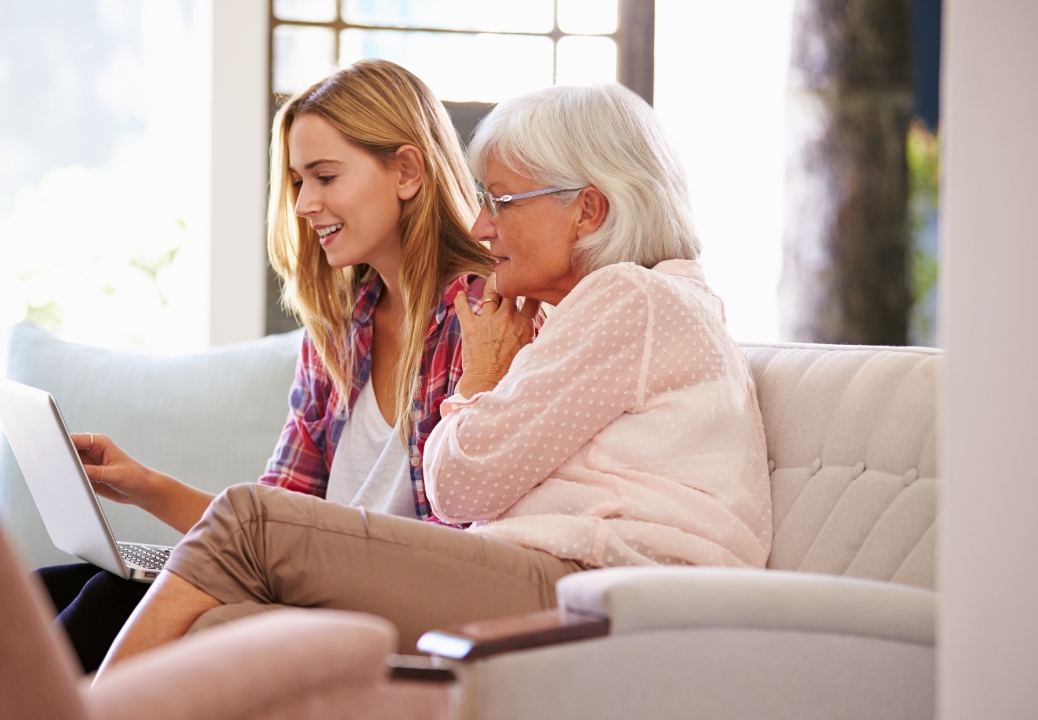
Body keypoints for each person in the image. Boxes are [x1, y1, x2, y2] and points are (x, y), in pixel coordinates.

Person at [93, 83, 773, 680]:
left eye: (501, 202)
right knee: (218, 626)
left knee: (246, 521)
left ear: (588, 211)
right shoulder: (583, 314)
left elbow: (458, 487)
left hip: (608, 598)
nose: (482, 225)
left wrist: (479, 376)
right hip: (572, 588)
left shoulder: (632, 299)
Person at [39, 58, 496, 673]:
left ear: (408, 171)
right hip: (317, 581)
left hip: (402, 599)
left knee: (106, 601)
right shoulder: (337, 337)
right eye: (297, 181)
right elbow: (268, 524)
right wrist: (145, 487)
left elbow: (471, 541)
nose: (305, 204)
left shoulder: (483, 317)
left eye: (324, 176)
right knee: (56, 586)